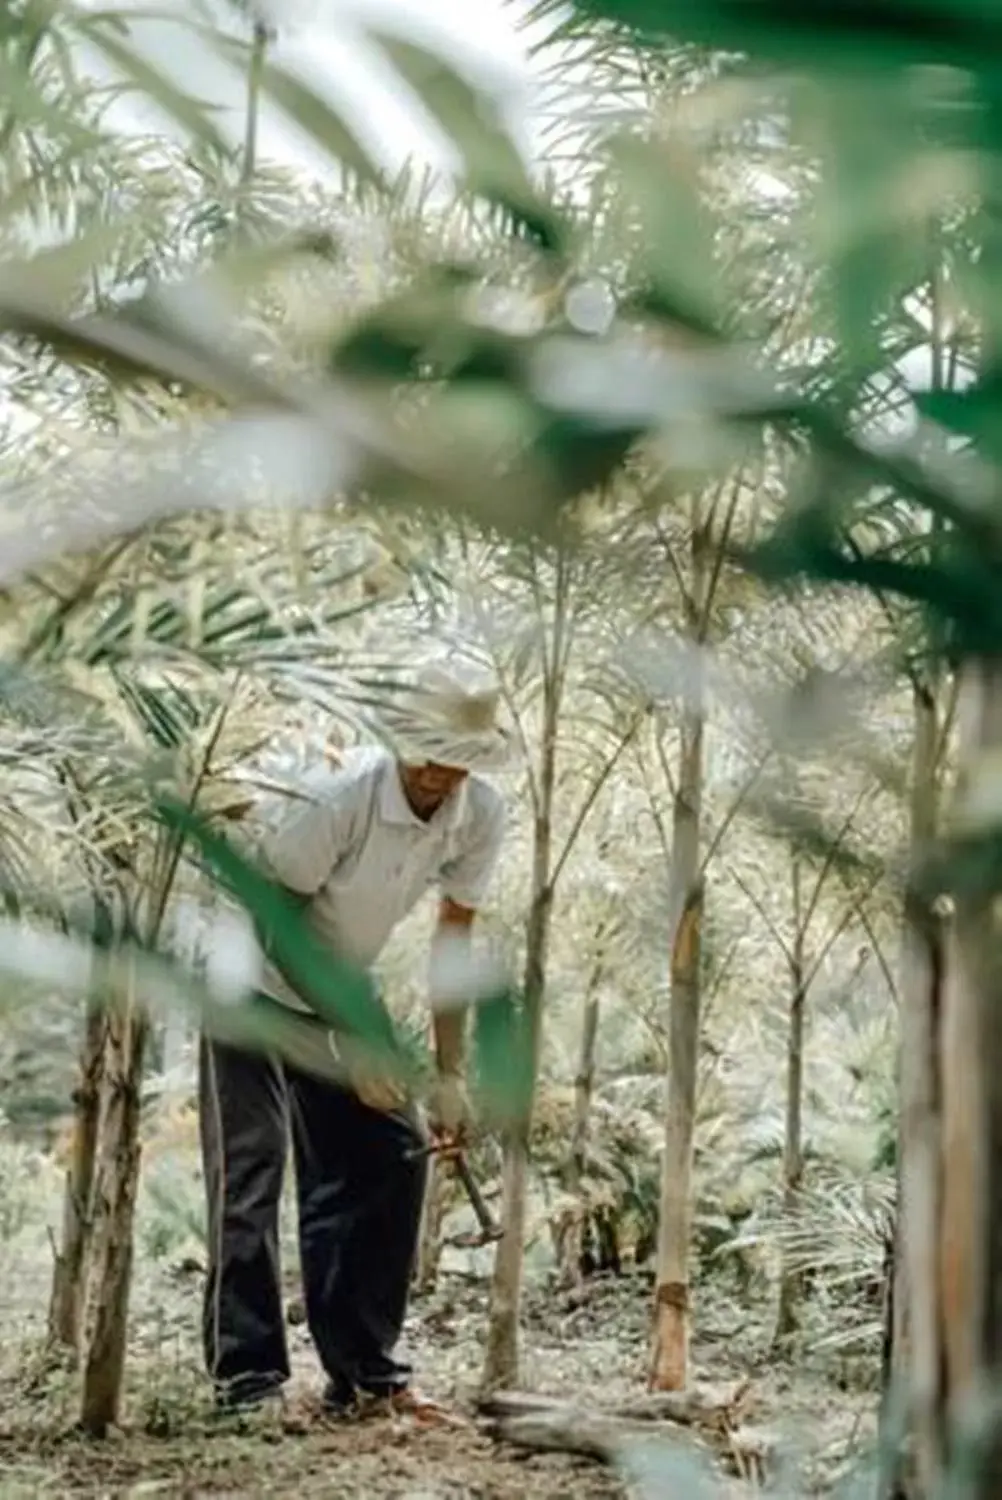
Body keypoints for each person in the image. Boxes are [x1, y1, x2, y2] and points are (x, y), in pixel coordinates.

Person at [199, 654, 511, 1420]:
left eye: (459, 759)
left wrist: (448, 1072)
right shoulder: (341, 797)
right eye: (430, 751)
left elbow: (452, 940)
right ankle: (248, 1381)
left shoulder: (481, 816)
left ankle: (364, 1370)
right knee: (253, 1168)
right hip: (246, 971)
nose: (441, 772)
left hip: (335, 977)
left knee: (390, 1149)